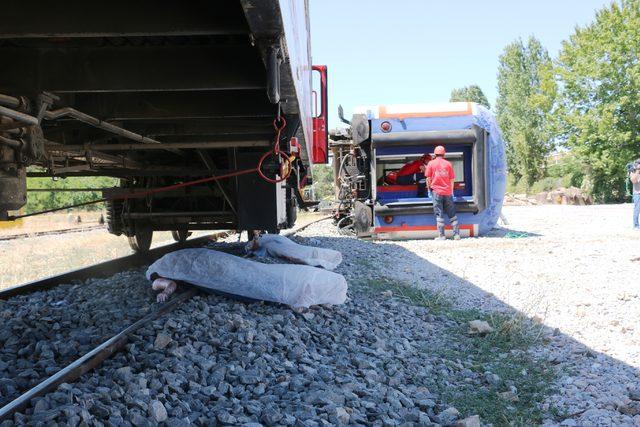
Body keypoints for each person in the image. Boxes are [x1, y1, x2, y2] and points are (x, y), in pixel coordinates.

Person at [425, 145, 460, 240]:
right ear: (444, 154)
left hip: (436, 192)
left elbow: (428, 179)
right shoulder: (448, 164)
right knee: (452, 213)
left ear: (435, 154)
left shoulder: (431, 164)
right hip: (448, 192)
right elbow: (452, 179)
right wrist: (451, 191)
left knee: (439, 214)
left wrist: (429, 190)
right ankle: (456, 234)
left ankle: (442, 236)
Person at [631, 160, 640, 229]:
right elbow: (634, 181)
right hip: (637, 193)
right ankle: (636, 225)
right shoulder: (633, 171)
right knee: (637, 209)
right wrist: (637, 171)